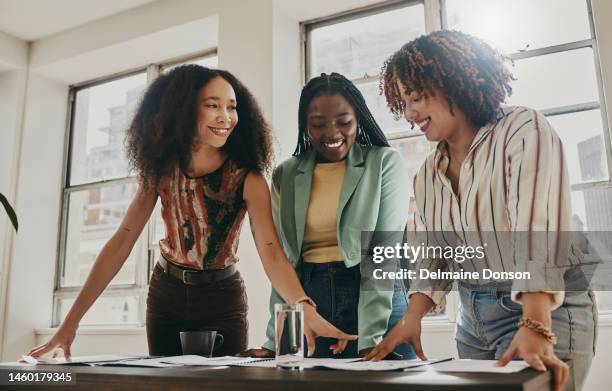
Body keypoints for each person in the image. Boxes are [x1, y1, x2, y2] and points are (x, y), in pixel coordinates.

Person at [25, 65, 356, 359]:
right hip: (166, 294)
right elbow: (121, 243)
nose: (225, 116)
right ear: (183, 110)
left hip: (221, 298)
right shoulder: (160, 173)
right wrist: (69, 326)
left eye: (231, 107)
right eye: (212, 105)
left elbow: (272, 253)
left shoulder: (249, 179)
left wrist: (304, 308)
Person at [365, 30, 596, 391]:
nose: (409, 112)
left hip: (545, 308)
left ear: (452, 81)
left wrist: (535, 324)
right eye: (403, 102)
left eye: (416, 97)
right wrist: (412, 318)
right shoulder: (427, 174)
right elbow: (435, 257)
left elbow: (538, 228)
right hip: (473, 319)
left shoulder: (522, 129)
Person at [241, 73, 415, 359]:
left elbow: (382, 252)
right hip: (312, 303)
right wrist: (276, 338)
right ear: (305, 126)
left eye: (343, 122)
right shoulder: (286, 174)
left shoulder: (384, 162)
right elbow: (284, 260)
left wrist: (370, 338)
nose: (332, 133)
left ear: (358, 119)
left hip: (375, 297)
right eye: (318, 124)